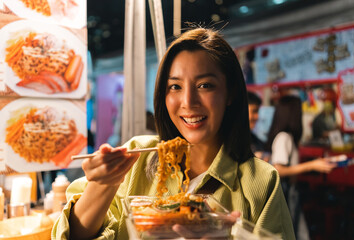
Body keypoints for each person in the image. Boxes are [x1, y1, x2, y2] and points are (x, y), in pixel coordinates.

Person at [52, 27, 295, 240]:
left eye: (205, 85)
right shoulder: (138, 156)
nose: (188, 102)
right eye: (175, 87)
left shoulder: (260, 181)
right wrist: (103, 185)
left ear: (230, 93)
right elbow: (75, 234)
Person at [265, 95, 336, 240]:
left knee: (298, 232)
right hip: (286, 192)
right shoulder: (284, 137)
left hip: (290, 192)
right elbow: (278, 169)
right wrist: (311, 165)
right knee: (295, 233)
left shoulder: (287, 137)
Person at [247, 91, 268, 161]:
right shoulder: (229, 141)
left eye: (257, 112)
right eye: (254, 111)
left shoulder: (257, 141)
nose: (257, 116)